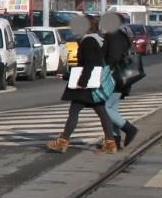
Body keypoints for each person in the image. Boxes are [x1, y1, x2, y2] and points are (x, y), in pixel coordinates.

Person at [46, 14, 118, 154]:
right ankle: (110, 143)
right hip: (90, 83)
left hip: (86, 86)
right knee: (100, 111)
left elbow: (92, 63)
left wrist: (82, 82)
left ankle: (63, 142)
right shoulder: (95, 40)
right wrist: (68, 75)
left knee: (74, 111)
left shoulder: (88, 41)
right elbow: (90, 63)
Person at [100, 11, 140, 148]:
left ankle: (129, 128)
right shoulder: (122, 35)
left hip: (114, 78)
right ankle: (114, 140)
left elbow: (113, 57)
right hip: (121, 77)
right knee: (112, 108)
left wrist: (105, 71)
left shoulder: (114, 36)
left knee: (105, 109)